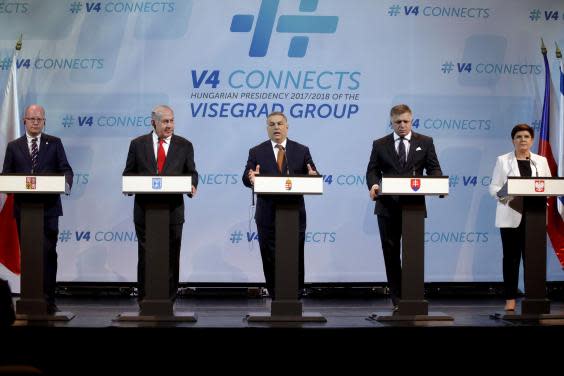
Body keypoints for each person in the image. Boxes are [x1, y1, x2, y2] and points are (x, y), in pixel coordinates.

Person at [366, 104, 442, 311]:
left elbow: (434, 168)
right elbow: (372, 171)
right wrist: (373, 185)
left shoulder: (425, 142)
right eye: (397, 122)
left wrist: (437, 183)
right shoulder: (380, 144)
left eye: (405, 121)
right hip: (387, 207)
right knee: (390, 253)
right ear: (391, 122)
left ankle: (413, 296)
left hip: (414, 208)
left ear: (412, 120)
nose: (401, 125)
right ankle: (398, 299)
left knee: (412, 253)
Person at [2, 104, 74, 314]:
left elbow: (66, 170)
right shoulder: (14, 146)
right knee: (30, 255)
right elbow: (6, 175)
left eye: (39, 119)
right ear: (24, 121)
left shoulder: (54, 143)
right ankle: (30, 298)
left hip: (49, 210)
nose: (35, 122)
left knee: (48, 254)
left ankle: (48, 300)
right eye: (32, 119)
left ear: (44, 121)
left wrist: (66, 184)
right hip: (24, 210)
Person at [123, 105, 198, 304]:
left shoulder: (184, 145)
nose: (170, 125)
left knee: (171, 257)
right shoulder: (138, 144)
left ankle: (168, 301)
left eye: (172, 121)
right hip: (145, 211)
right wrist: (130, 185)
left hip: (173, 211)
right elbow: (128, 173)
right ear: (153, 122)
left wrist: (192, 184)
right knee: (146, 256)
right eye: (165, 121)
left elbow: (192, 172)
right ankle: (145, 300)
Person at [242, 111, 318, 299]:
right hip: (267, 213)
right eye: (272, 124)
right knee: (269, 255)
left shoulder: (301, 150)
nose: (276, 127)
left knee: (295, 254)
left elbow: (313, 172)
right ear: (267, 128)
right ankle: (276, 295)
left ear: (286, 126)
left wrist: (313, 177)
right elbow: (246, 176)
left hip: (294, 213)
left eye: (279, 123)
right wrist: (251, 178)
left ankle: (296, 295)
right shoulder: (257, 151)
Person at [489, 124, 551, 311]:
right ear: (513, 140)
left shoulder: (541, 161)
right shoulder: (503, 161)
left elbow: (548, 185)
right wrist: (507, 192)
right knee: (511, 258)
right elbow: (493, 188)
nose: (522, 140)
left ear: (531, 140)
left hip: (535, 217)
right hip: (511, 214)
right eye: (518, 136)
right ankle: (510, 298)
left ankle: (534, 297)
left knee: (533, 259)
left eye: (526, 136)